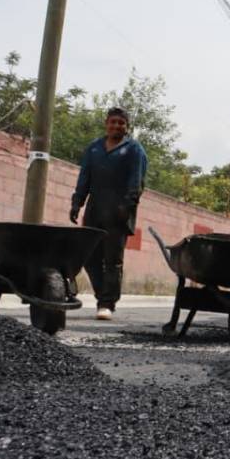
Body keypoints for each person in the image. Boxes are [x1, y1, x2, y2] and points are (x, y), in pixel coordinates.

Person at [69, 107, 148, 320]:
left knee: (112, 259)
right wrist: (77, 203)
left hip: (119, 211)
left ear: (127, 126)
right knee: (89, 256)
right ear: (106, 123)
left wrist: (128, 206)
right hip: (95, 209)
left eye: (121, 123)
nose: (116, 126)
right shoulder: (94, 148)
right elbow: (84, 176)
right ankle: (102, 295)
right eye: (113, 122)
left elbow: (136, 180)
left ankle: (107, 304)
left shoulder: (134, 149)